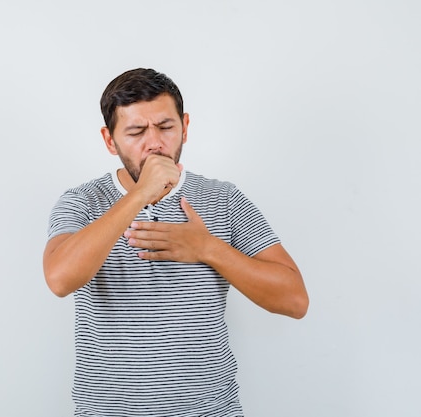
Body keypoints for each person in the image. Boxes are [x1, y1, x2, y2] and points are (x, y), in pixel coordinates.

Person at [43, 68, 309, 417]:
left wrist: (208, 249)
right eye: (136, 131)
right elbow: (60, 279)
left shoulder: (223, 199)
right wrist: (139, 195)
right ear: (110, 140)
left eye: (166, 127)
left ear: (184, 125)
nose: (154, 143)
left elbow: (294, 300)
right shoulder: (82, 201)